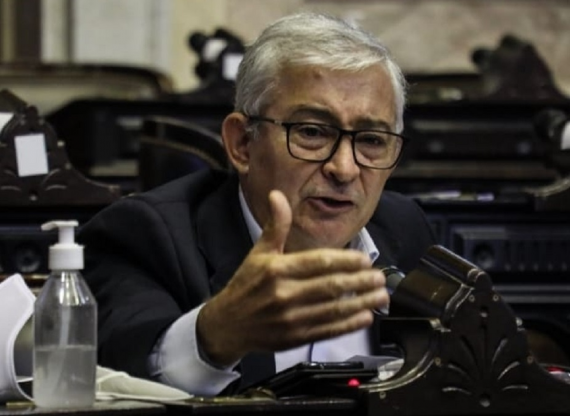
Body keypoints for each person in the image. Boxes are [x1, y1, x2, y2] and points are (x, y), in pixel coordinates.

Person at [78, 12, 437, 396]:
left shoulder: (404, 229)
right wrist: (217, 334)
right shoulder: (147, 236)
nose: (344, 169)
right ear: (242, 144)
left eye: (371, 140)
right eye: (312, 132)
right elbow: (117, 376)